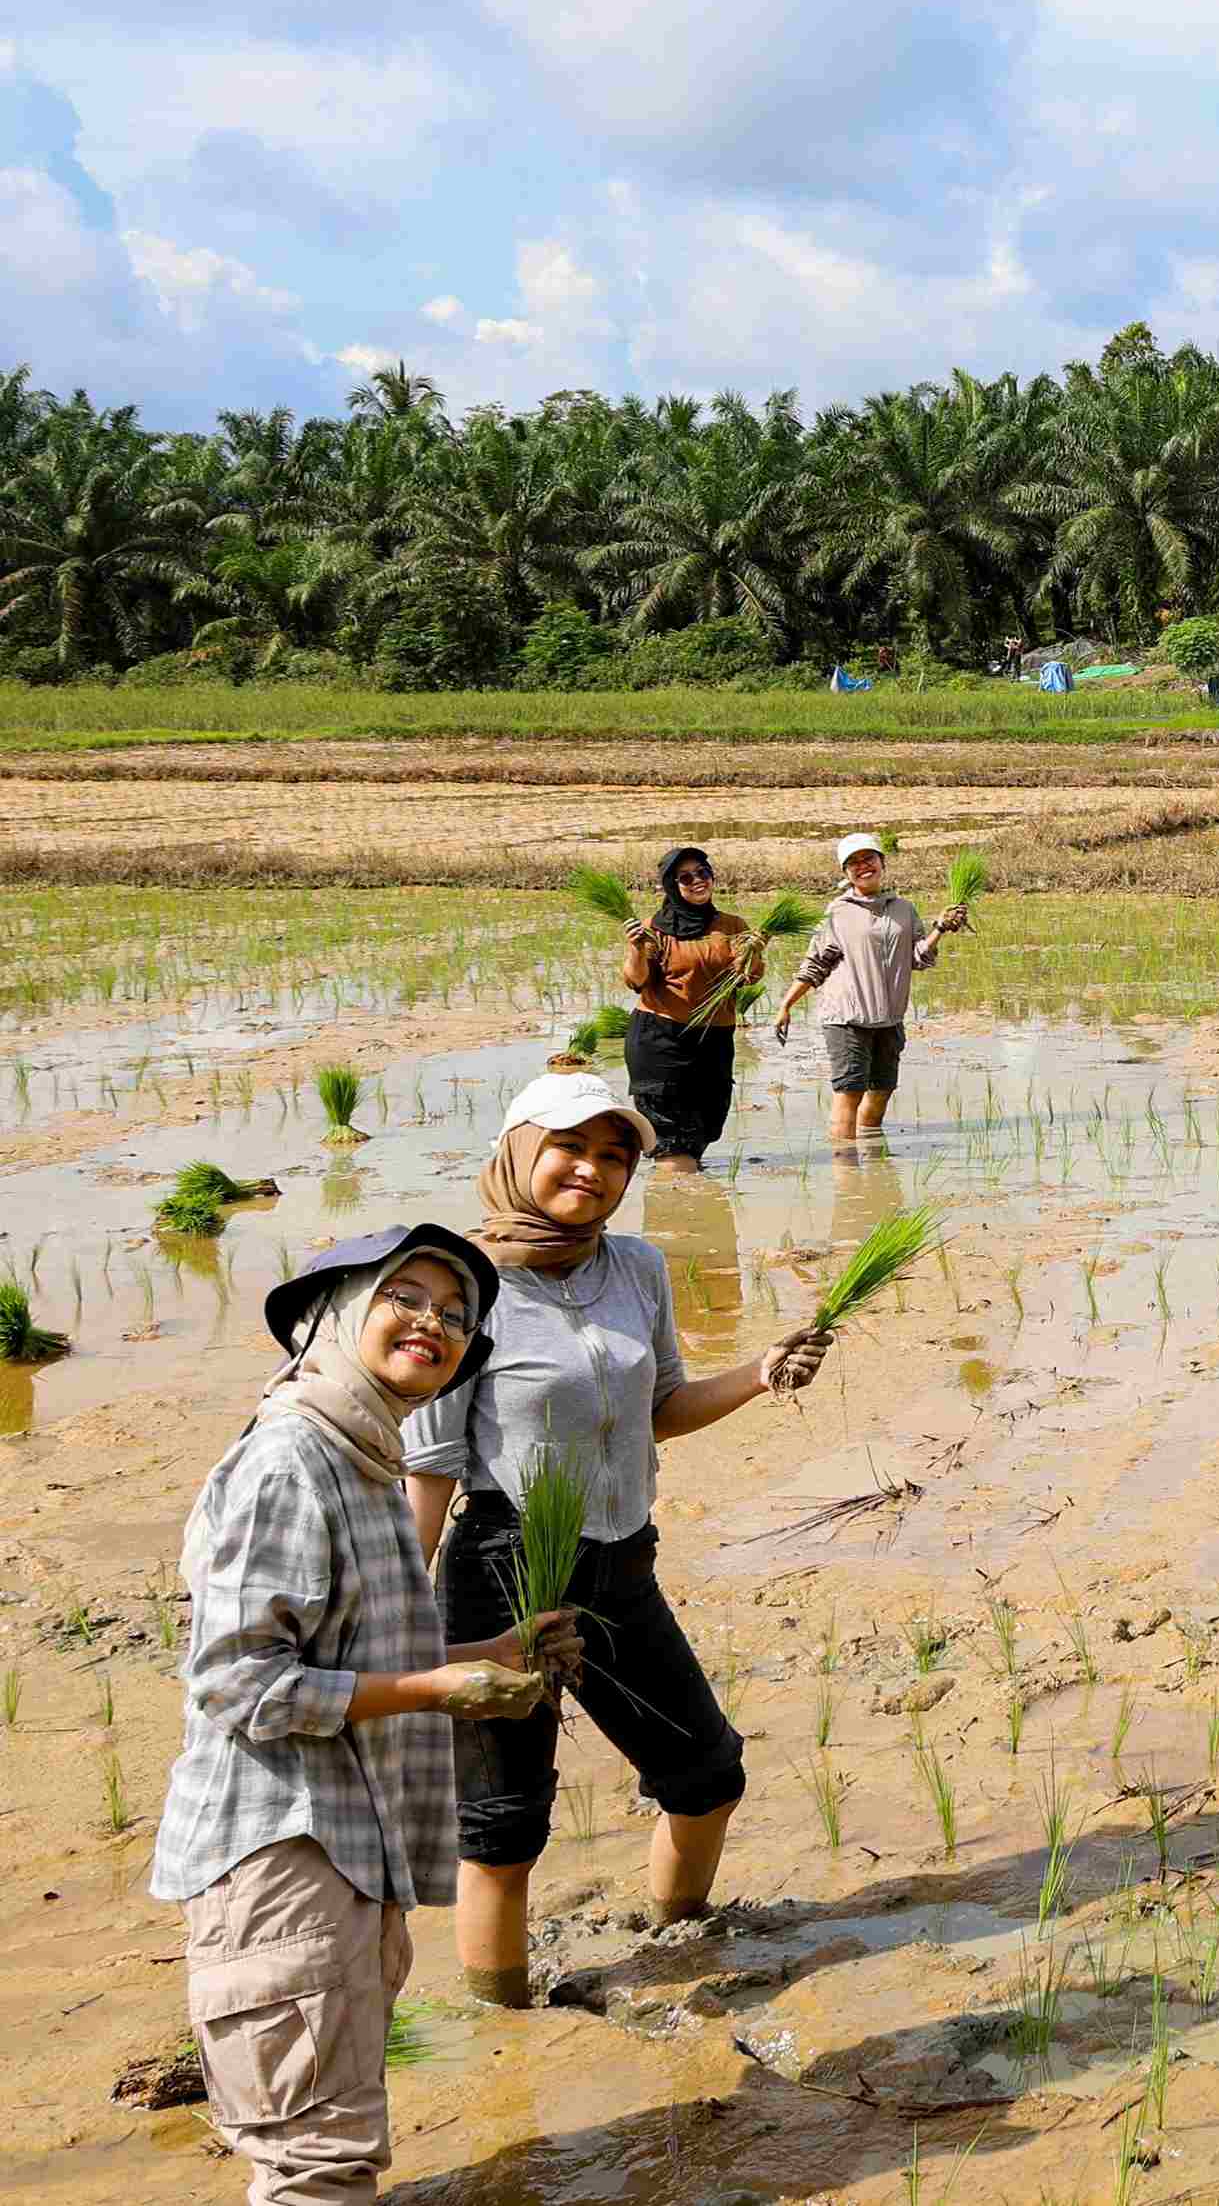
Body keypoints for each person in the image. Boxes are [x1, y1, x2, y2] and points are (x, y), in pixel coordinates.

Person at [152, 1225, 570, 2206]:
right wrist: (436, 1691)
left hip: (337, 1849)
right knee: (317, 2169)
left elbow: (352, 1660)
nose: (437, 1321)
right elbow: (239, 1684)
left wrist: (490, 1653)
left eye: (458, 1313)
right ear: (328, 1318)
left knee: (321, 2144)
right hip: (280, 1855)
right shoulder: (292, 1459)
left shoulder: (360, 1458)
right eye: (408, 1295)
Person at [403, 1075, 835, 2008]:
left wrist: (762, 1373)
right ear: (519, 1150)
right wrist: (398, 1623)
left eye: (615, 1156)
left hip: (621, 1562)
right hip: (506, 1573)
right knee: (503, 1829)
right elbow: (432, 1465)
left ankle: (679, 1945)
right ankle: (505, 2029)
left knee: (707, 1774)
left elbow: (661, 1409)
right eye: (572, 1148)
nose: (593, 1172)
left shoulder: (636, 1267)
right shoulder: (455, 1285)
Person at [771, 833, 969, 1145]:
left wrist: (940, 928)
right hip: (846, 1018)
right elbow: (815, 965)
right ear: (845, 873)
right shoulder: (837, 912)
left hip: (889, 1018)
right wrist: (785, 1005)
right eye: (853, 863)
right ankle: (846, 1173)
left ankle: (873, 1167)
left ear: (882, 862)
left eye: (869, 859)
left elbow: (918, 958)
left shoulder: (903, 908)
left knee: (881, 1091)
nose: (863, 866)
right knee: (850, 1092)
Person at [617, 845, 757, 1170]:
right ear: (671, 886)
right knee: (672, 1147)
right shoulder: (653, 928)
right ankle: (679, 1207)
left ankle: (687, 1214)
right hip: (661, 1043)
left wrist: (753, 952)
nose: (697, 881)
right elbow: (637, 981)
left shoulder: (733, 925)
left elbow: (748, 977)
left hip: (714, 1043)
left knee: (703, 1132)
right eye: (685, 877)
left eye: (703, 872)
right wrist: (636, 949)